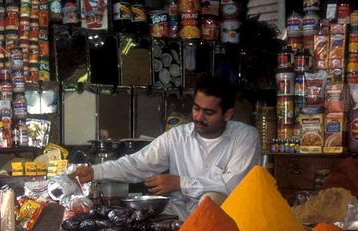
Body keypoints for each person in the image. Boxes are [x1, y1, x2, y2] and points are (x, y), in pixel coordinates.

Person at [70, 74, 260, 219]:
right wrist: (95, 172)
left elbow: (232, 185)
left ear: (227, 115)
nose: (199, 117)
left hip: (227, 226)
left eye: (208, 112)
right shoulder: (177, 136)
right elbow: (137, 164)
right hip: (181, 216)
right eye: (196, 108)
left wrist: (180, 183)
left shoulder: (245, 136)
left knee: (211, 199)